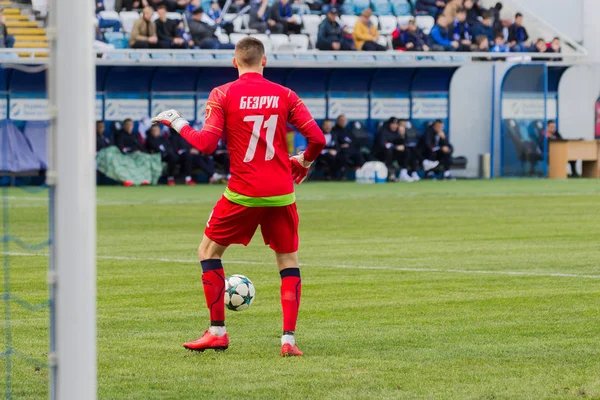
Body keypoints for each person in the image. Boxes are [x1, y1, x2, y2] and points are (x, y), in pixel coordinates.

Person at [151, 37, 326, 356]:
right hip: (281, 193)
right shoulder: (285, 94)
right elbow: (317, 138)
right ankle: (288, 341)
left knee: (208, 252)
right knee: (287, 261)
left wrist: (176, 122)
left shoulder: (223, 94)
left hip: (243, 193)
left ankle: (217, 331)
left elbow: (205, 144)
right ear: (265, 61)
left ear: (235, 62)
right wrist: (304, 161)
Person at [375, 117, 413, 182]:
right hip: (381, 154)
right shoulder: (383, 132)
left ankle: (403, 172)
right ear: (389, 124)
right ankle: (391, 174)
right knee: (389, 151)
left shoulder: (398, 132)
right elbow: (384, 145)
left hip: (394, 153)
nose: (394, 126)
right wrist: (396, 147)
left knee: (407, 151)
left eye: (396, 124)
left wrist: (403, 136)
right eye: (393, 124)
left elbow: (405, 143)